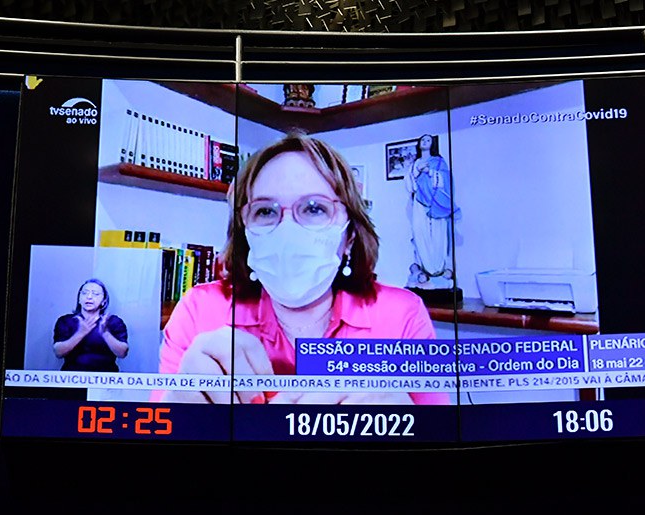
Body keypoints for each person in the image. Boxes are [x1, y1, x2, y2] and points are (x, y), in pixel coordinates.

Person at [154, 130, 450, 405]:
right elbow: (151, 432)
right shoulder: (199, 312)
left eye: (314, 208)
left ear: (349, 236)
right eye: (265, 211)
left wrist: (408, 426)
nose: (287, 231)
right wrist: (180, 411)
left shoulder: (402, 315)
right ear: (245, 230)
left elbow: (443, 435)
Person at [404, 133, 460, 289]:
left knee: (438, 234)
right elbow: (409, 184)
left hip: (435, 202)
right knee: (419, 231)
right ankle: (425, 269)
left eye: (428, 140)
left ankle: (438, 269)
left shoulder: (439, 162)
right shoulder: (415, 164)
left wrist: (430, 171)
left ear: (432, 144)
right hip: (419, 201)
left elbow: (446, 180)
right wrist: (417, 171)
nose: (425, 142)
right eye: (422, 140)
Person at [53, 278, 129, 372]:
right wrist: (80, 333)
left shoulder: (113, 322)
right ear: (79, 299)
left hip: (105, 376)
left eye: (95, 294)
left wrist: (105, 333)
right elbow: (58, 352)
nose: (89, 297)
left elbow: (122, 353)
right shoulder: (66, 321)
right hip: (73, 375)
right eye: (84, 293)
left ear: (104, 301)